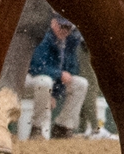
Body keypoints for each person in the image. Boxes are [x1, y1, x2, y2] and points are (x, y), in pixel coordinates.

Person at [19, 14, 90, 142]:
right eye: (61, 26)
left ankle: (63, 127)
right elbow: (36, 67)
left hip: (51, 84)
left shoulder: (70, 42)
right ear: (53, 23)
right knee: (44, 81)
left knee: (81, 83)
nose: (64, 30)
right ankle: (37, 128)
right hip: (27, 80)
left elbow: (72, 70)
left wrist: (55, 94)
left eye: (68, 27)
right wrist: (58, 75)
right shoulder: (43, 38)